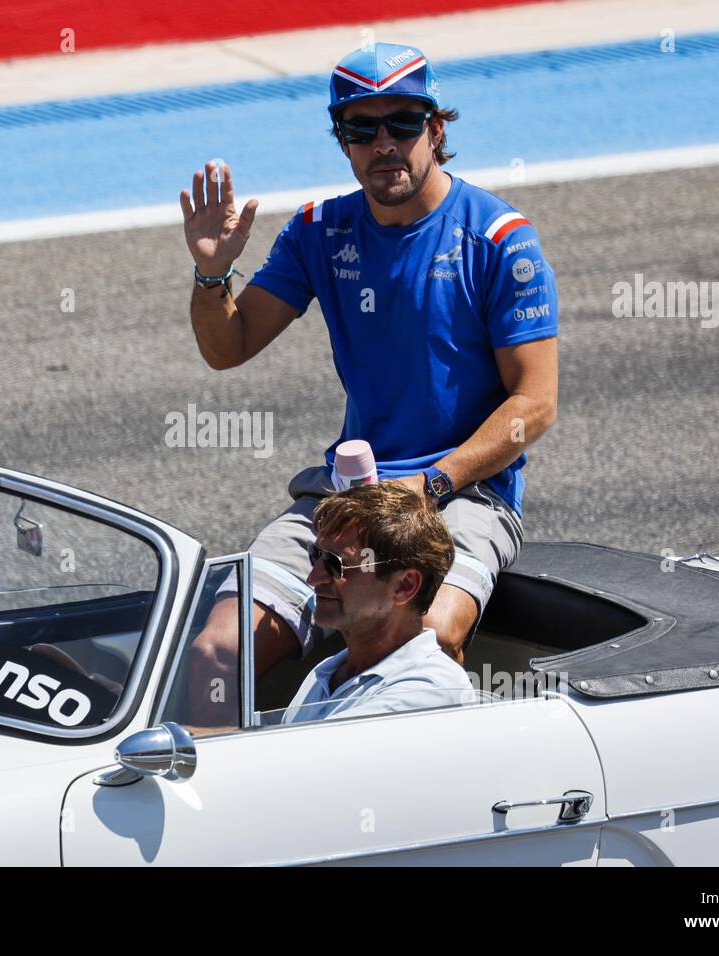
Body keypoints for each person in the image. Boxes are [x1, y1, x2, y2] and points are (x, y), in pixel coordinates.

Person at [178, 41, 558, 720]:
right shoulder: (319, 231)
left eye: (403, 124)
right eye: (362, 128)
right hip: (349, 498)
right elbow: (227, 347)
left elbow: (536, 403)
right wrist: (212, 274)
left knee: (431, 642)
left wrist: (431, 483)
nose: (385, 143)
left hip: (465, 495)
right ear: (344, 143)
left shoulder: (501, 240)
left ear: (436, 130)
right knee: (215, 654)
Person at [280, 481, 474, 724]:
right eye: (316, 555)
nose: (313, 577)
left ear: (404, 586)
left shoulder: (428, 690)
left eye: (335, 564)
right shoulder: (326, 673)